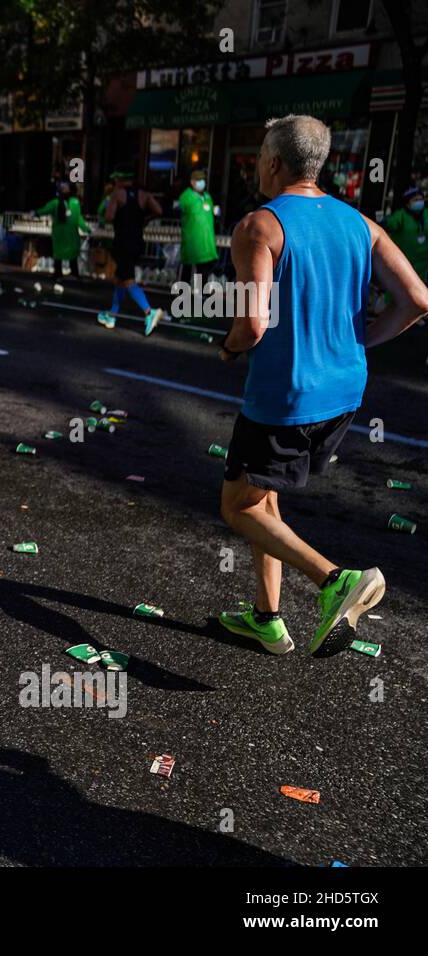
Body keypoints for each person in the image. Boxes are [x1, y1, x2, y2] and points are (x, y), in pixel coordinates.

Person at [216, 115, 428, 657]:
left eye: (261, 155)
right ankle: (266, 619)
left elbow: (253, 323)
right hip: (344, 394)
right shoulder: (361, 223)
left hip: (286, 396)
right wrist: (361, 340)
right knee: (265, 496)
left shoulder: (258, 226)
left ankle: (335, 579)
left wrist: (228, 345)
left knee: (237, 506)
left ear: (273, 162)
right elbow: (418, 301)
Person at [96, 166, 165, 335]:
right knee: (119, 278)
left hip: (122, 242)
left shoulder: (117, 194)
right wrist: (144, 219)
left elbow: (109, 217)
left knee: (127, 279)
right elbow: (159, 210)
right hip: (137, 242)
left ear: (119, 179)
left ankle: (150, 311)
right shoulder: (144, 194)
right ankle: (111, 315)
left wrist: (109, 208)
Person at [35, 180, 89, 278]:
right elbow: (79, 219)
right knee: (72, 254)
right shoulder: (75, 203)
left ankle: (58, 274)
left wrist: (35, 213)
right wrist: (86, 229)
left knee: (58, 254)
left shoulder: (54, 203)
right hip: (72, 235)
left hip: (59, 235)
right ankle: (74, 273)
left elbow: (44, 211)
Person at [177, 169, 219, 284]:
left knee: (203, 272)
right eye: (199, 180)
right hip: (192, 241)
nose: (202, 182)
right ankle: (182, 297)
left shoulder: (207, 196)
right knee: (187, 270)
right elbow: (177, 211)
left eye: (203, 180)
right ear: (192, 182)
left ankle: (200, 297)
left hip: (206, 242)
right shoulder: (186, 197)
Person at [382, 186, 428, 285]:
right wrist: (384, 221)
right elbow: (391, 224)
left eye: (420, 199)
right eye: (415, 200)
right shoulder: (401, 215)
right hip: (406, 262)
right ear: (408, 203)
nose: (419, 202)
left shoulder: (426, 214)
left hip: (424, 264)